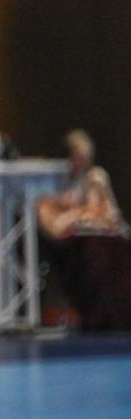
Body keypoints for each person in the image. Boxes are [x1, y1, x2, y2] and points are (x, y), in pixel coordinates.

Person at [38, 129, 131, 330]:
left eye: (84, 158)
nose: (80, 163)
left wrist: (83, 209)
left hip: (101, 237)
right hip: (68, 243)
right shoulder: (53, 183)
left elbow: (108, 214)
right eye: (77, 157)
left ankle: (115, 314)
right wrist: (76, 214)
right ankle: (95, 314)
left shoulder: (95, 178)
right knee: (92, 252)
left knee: (113, 250)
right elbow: (52, 225)